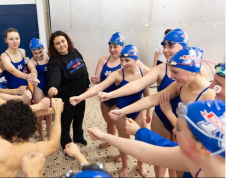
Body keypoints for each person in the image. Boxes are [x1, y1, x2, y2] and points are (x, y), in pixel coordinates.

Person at [98, 29, 210, 177]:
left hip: (184, 130)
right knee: (162, 158)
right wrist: (119, 107)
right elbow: (150, 96)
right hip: (165, 120)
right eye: (164, 46)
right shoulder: (177, 83)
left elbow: (196, 144)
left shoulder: (205, 94)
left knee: (178, 167)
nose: (165, 51)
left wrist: (168, 112)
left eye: (175, 72)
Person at [87, 99, 225, 178]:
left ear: (202, 147)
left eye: (179, 129)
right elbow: (144, 151)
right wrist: (103, 136)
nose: (173, 130)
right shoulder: (198, 155)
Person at [70, 44, 151, 177]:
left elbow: (147, 91)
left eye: (127, 60)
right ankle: (125, 166)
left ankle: (140, 165)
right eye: (122, 60)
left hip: (138, 112)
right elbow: (99, 87)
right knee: (123, 142)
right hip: (121, 113)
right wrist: (81, 97)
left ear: (135, 59)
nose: (123, 64)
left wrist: (148, 111)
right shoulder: (117, 74)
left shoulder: (144, 72)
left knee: (140, 140)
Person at [47, 30, 90, 150]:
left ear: (67, 41)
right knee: (65, 123)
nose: (61, 45)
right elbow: (54, 74)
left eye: (63, 41)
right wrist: (53, 86)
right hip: (66, 97)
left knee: (79, 118)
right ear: (53, 46)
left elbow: (83, 67)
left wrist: (87, 84)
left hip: (80, 94)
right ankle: (66, 145)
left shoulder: (74, 52)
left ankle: (78, 136)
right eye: (57, 43)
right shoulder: (54, 61)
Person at [27, 38, 52, 141]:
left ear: (43, 49)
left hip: (49, 85)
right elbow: (33, 71)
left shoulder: (50, 57)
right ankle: (42, 138)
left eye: (40, 52)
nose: (38, 55)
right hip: (39, 86)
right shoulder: (31, 62)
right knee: (40, 113)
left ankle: (49, 134)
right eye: (35, 53)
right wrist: (35, 77)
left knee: (49, 112)